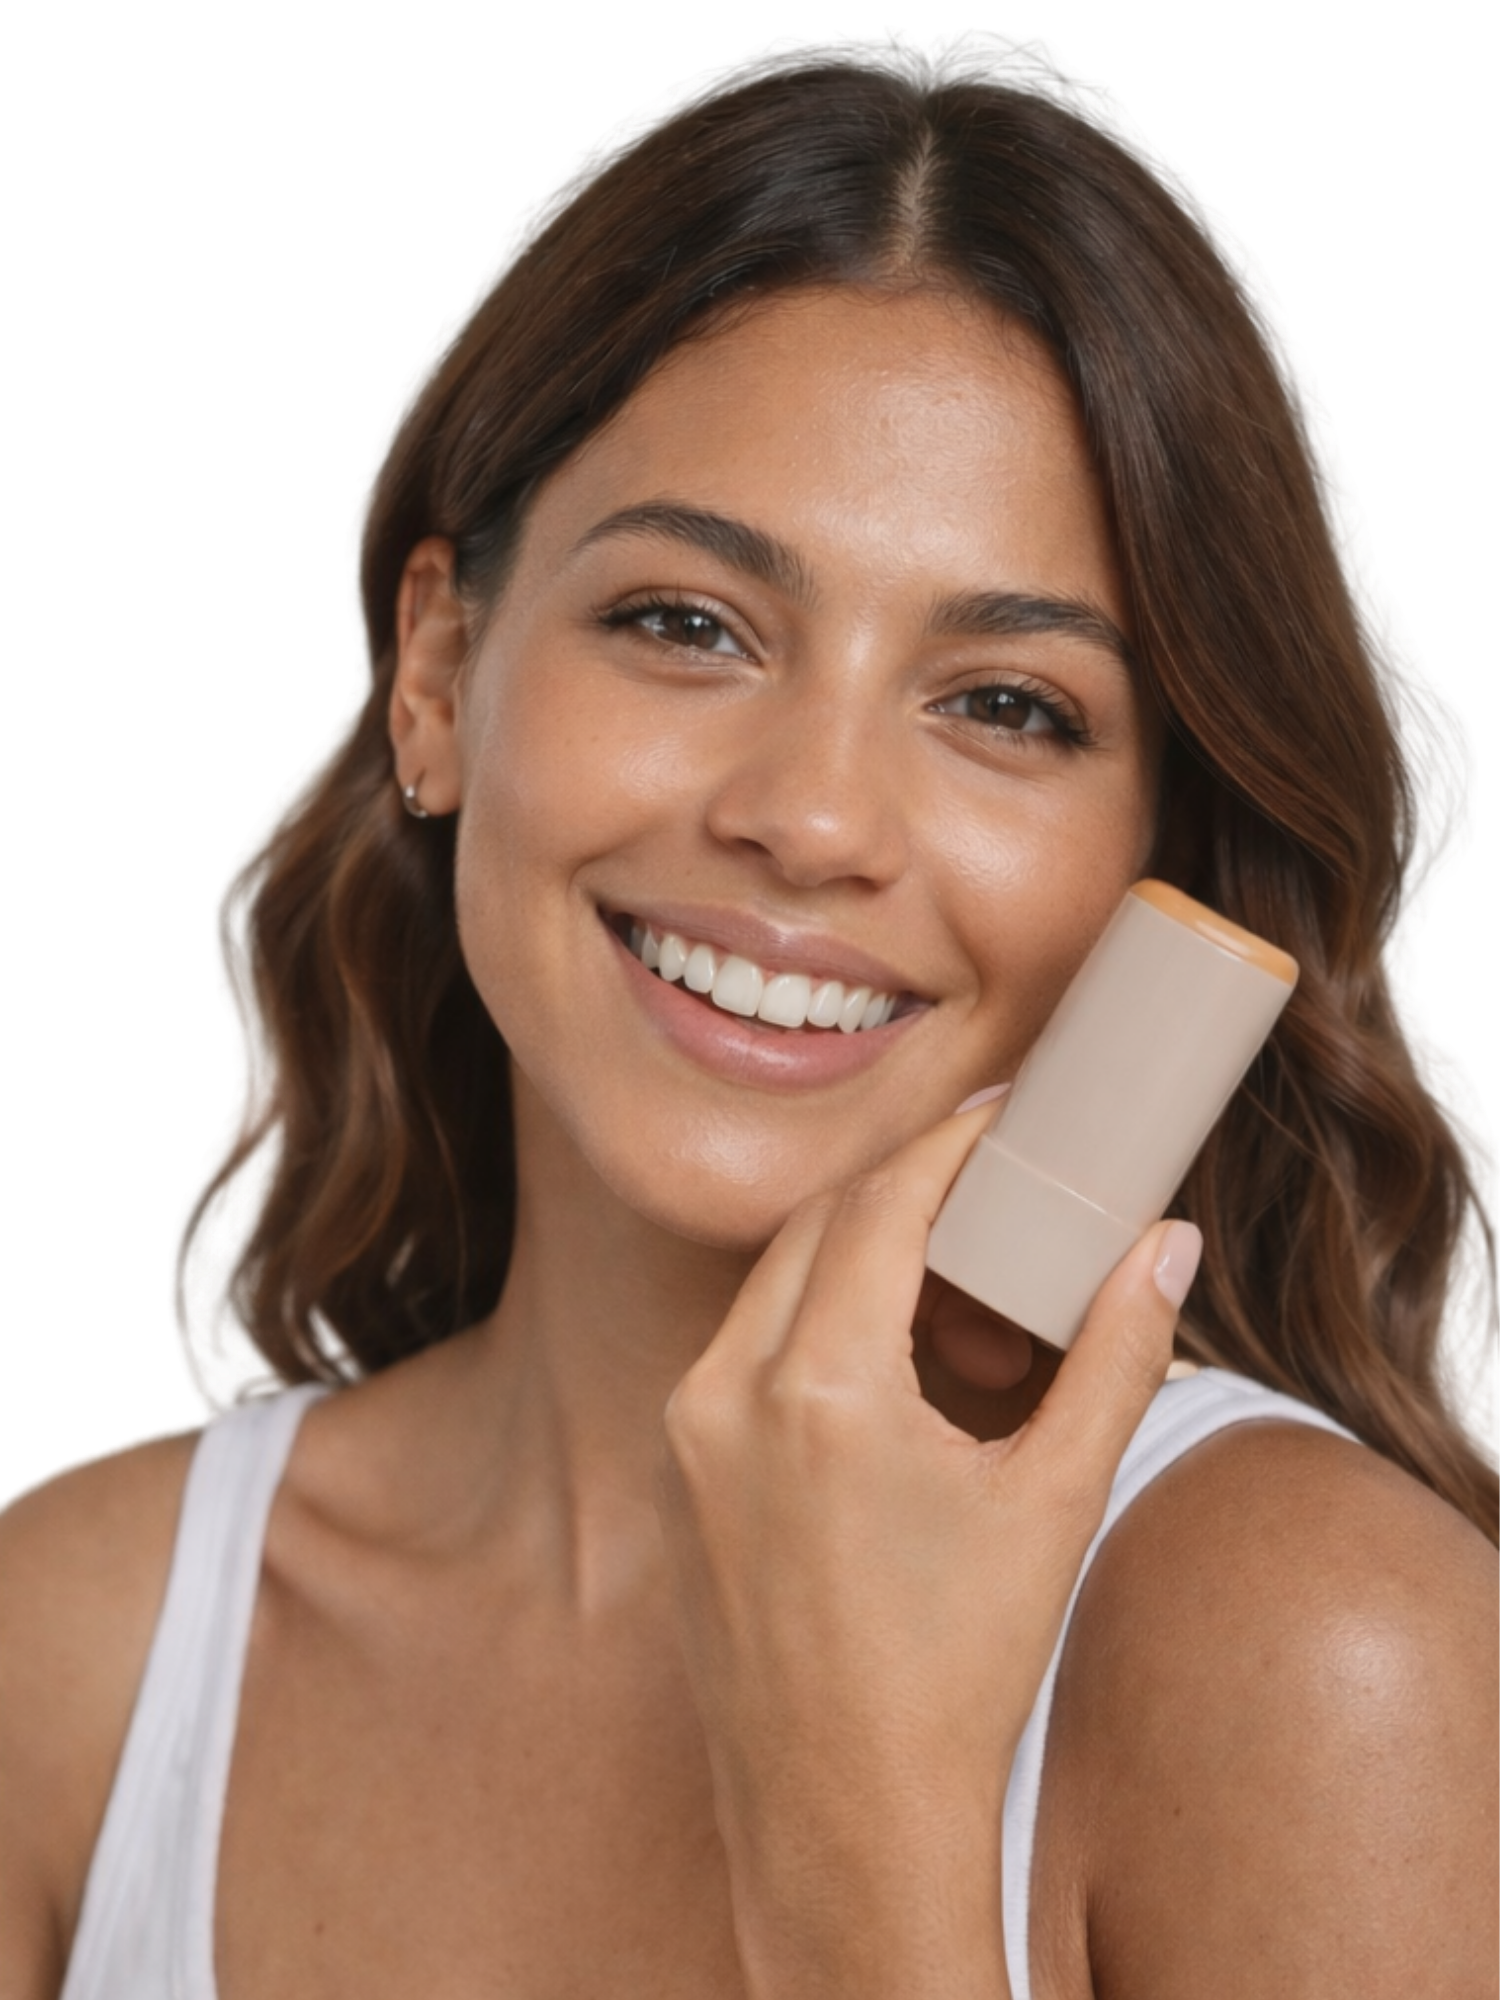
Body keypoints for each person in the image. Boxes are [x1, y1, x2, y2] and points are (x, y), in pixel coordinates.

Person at [5, 32, 1497, 1999]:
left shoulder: (1325, 1657)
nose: (810, 817)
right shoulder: (68, 1649)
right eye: (687, 624)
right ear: (439, 677)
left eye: (1008, 705)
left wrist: (859, 1824)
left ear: (1162, 874)